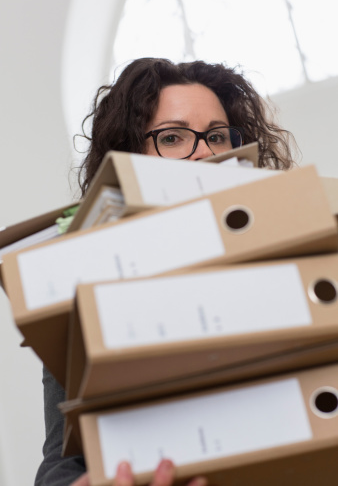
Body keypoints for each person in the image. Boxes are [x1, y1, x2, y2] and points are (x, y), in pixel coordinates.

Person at [35, 58, 298, 486]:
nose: (204, 153)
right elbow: (60, 464)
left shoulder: (299, 266)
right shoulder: (87, 298)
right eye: (172, 137)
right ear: (128, 157)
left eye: (217, 136)